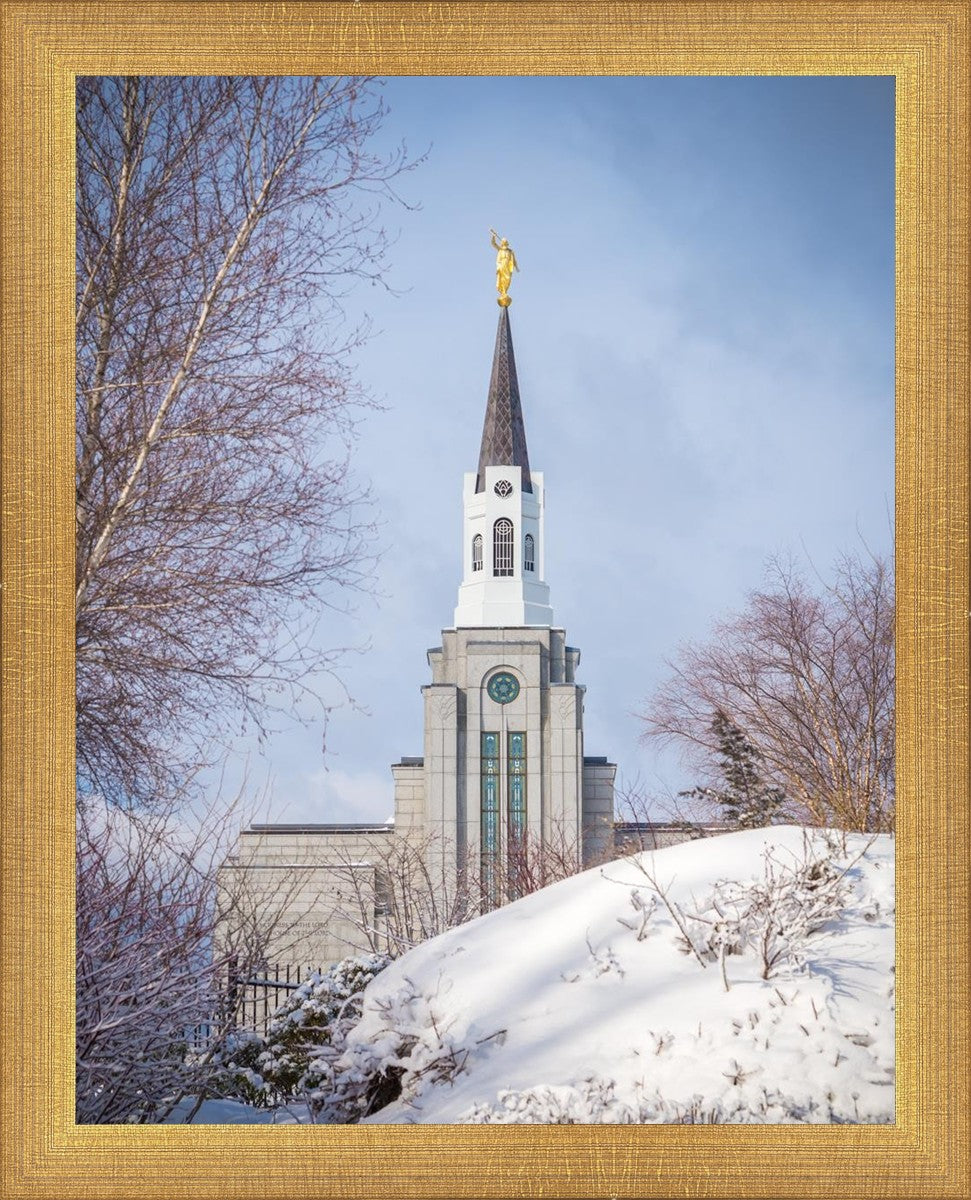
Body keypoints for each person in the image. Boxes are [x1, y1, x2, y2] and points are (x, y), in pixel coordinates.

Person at [490, 229, 518, 299]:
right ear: (502, 243)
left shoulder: (510, 251)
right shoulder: (500, 249)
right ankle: (503, 292)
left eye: (505, 241)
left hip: (508, 266)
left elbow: (514, 260)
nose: (505, 242)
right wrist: (493, 236)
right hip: (502, 264)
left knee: (508, 279)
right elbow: (493, 244)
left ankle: (505, 291)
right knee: (502, 278)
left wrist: (516, 267)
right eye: (503, 241)